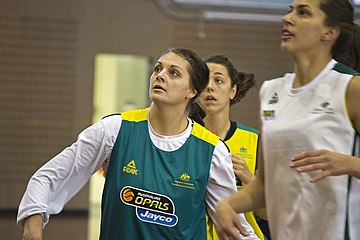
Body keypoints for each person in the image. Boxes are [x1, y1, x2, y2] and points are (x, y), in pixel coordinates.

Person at [17, 47, 259, 240]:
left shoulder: (212, 151)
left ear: (191, 91)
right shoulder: (114, 129)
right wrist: (33, 228)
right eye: (158, 69)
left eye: (173, 73)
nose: (160, 75)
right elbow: (48, 178)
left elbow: (236, 227)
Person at [215, 0, 360, 240]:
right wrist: (228, 205)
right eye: (289, 10)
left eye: (303, 13)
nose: (288, 18)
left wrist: (349, 163)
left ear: (330, 32)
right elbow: (264, 185)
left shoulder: (350, 88)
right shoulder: (271, 91)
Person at [191, 55, 270, 240]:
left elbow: (269, 213)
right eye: (204, 81)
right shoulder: (185, 138)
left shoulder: (254, 140)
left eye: (218, 80)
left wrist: (249, 179)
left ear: (232, 91)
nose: (210, 87)